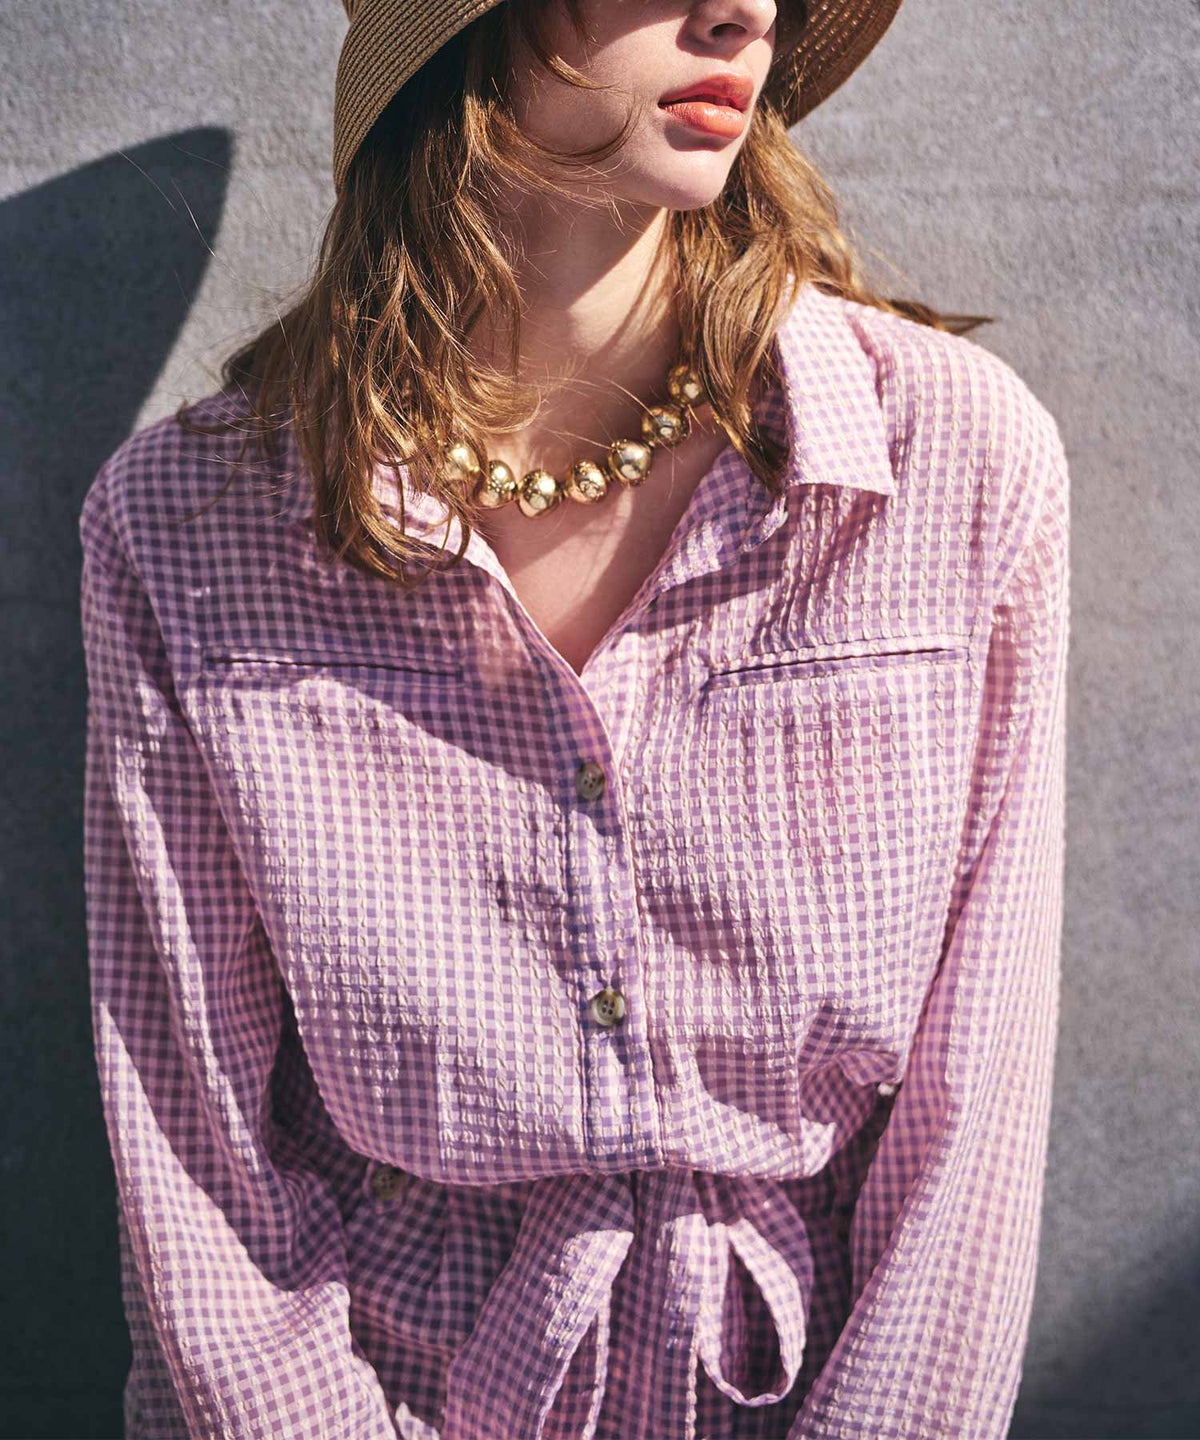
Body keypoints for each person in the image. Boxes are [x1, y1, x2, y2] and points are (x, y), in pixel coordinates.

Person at [77, 0, 1071, 1436]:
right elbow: (192, 1137)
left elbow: (977, 1113)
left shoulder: (950, 466)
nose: (744, 11)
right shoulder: (189, 525)